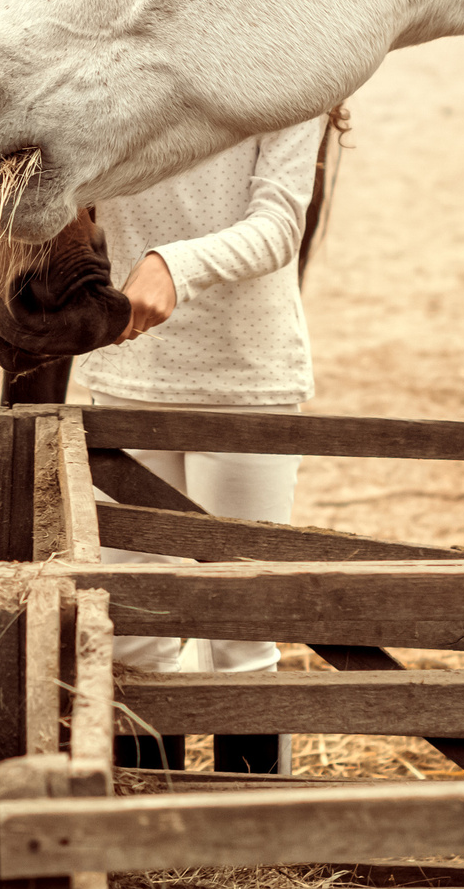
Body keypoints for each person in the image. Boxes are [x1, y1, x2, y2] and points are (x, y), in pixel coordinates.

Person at [76, 115, 334, 776]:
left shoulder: (294, 78)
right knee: (133, 633)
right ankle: (144, 817)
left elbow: (279, 225)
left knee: (237, 635)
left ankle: (245, 827)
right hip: (126, 373)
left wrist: (173, 262)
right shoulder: (114, 68)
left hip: (246, 382)